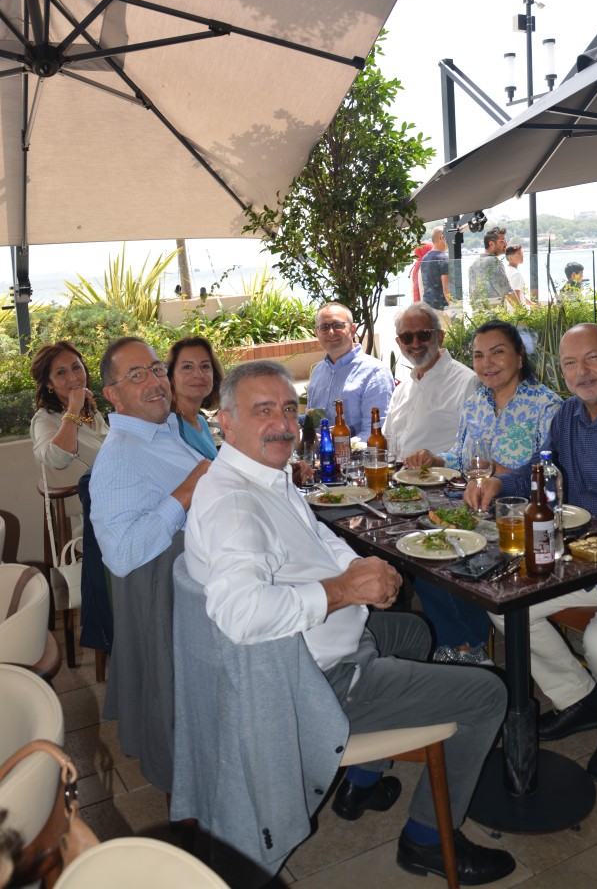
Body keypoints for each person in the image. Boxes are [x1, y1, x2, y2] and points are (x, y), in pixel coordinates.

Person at [185, 360, 515, 885]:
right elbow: (240, 614)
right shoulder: (236, 504)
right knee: (488, 694)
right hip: (316, 682)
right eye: (263, 410)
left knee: (412, 631)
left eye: (288, 409)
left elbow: (318, 537)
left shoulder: (261, 475)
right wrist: (345, 591)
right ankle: (428, 840)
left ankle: (364, 781)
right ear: (225, 421)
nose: (282, 424)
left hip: (321, 646)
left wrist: (361, 569)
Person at [470, 323, 597, 785]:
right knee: (505, 603)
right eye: (570, 363)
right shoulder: (569, 414)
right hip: (581, 556)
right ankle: (579, 697)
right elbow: (540, 466)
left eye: (592, 358)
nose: (581, 371)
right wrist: (499, 482)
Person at [90, 337, 210, 792]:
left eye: (157, 369)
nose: (155, 381)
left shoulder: (163, 431)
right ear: (114, 395)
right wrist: (187, 492)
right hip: (176, 609)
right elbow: (120, 555)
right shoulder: (120, 456)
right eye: (137, 375)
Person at [404, 320, 562, 665]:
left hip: (519, 519)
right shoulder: (475, 403)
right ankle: (465, 645)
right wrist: (434, 458)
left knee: (458, 561)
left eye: (497, 353)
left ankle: (465, 647)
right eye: (478, 355)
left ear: (519, 356)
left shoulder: (547, 405)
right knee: (420, 554)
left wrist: (497, 473)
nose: (486, 363)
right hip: (473, 508)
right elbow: (459, 456)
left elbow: (549, 470)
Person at [383, 303, 478, 459]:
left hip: (442, 474)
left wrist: (437, 461)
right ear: (399, 343)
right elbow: (386, 441)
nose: (415, 343)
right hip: (397, 472)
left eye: (424, 334)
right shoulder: (402, 389)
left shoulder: (467, 382)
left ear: (440, 337)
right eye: (407, 337)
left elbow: (475, 450)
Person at [306, 302, 394, 439]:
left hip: (358, 453)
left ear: (353, 329)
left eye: (338, 325)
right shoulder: (317, 371)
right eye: (324, 327)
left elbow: (375, 432)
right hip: (318, 452)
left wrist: (337, 447)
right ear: (317, 333)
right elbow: (314, 423)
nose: (331, 332)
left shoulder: (375, 372)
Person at [29, 340, 107, 471]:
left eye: (76, 368)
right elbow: (57, 459)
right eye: (61, 373)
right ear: (49, 383)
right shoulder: (44, 419)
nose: (73, 377)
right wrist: (74, 409)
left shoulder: (91, 412)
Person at [166, 336, 223, 459]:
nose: (198, 374)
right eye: (187, 367)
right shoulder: (168, 426)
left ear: (214, 376)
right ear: (170, 378)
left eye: (205, 366)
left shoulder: (200, 421)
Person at [467, 226, 513, 307]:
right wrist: (522, 311)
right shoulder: (494, 262)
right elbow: (507, 292)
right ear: (491, 243)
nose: (506, 244)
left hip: (479, 312)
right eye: (503, 241)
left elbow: (472, 295)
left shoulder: (474, 264)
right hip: (496, 312)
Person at [419, 227, 450, 312]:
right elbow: (446, 289)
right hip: (442, 307)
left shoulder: (424, 258)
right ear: (442, 238)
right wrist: (455, 308)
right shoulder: (443, 259)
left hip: (427, 306)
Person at [504, 244, 534, 309]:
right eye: (519, 254)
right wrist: (521, 311)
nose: (522, 256)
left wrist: (532, 304)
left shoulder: (505, 270)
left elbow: (520, 295)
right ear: (510, 257)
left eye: (522, 254)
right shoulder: (516, 274)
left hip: (509, 310)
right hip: (517, 312)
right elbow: (516, 295)